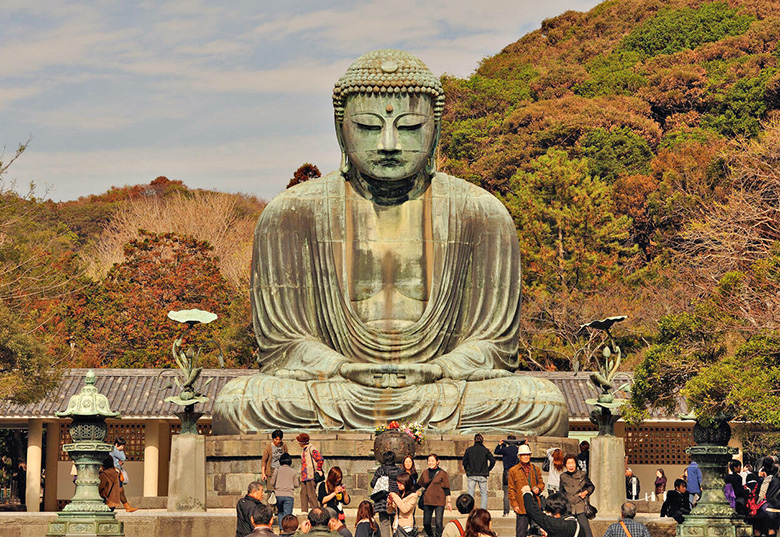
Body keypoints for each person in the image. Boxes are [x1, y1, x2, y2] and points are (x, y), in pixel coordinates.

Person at [211, 49, 569, 436]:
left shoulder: (481, 213)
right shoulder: (291, 214)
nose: (388, 143)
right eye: (367, 126)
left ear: (435, 131)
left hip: (439, 386)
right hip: (338, 387)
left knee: (542, 403)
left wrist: (441, 369)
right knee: (240, 402)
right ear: (340, 130)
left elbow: (494, 346)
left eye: (410, 127)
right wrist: (340, 367)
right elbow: (283, 345)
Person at [507, 444, 545, 537]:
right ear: (519, 456)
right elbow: (511, 489)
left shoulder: (535, 469)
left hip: (534, 505)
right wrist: (514, 504)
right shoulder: (513, 470)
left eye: (527, 454)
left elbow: (541, 483)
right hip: (521, 506)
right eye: (523, 455)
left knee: (537, 533)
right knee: (521, 533)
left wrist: (538, 488)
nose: (526, 457)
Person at [559, 455, 594, 537]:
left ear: (576, 464)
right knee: (568, 531)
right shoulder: (563, 477)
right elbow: (561, 492)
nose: (571, 466)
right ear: (565, 465)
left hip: (580, 506)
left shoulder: (582, 474)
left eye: (572, 463)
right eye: (568, 463)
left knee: (586, 530)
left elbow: (591, 486)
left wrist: (586, 492)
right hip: (568, 507)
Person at [418, 453, 452, 537]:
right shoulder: (425, 472)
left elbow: (447, 488)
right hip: (428, 500)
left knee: (438, 522)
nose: (431, 462)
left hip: (439, 501)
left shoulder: (442, 473)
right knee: (426, 523)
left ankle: (438, 535)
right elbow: (419, 484)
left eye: (433, 460)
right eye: (429, 461)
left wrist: (449, 502)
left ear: (437, 461)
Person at [371, 451, 401, 537]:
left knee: (384, 524)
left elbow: (373, 483)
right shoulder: (399, 470)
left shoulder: (380, 470)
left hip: (382, 500)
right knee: (395, 523)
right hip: (395, 499)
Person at [462, 433, 495, 510]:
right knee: (484, 494)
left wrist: (467, 470)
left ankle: (469, 509)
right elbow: (493, 460)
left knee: (470, 493)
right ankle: (483, 510)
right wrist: (488, 469)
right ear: (482, 441)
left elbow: (464, 462)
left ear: (474, 440)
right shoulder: (485, 450)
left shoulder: (469, 450)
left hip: (472, 474)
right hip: (482, 474)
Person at [271, 453, 300, 531]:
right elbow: (296, 484)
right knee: (287, 515)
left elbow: (272, 482)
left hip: (278, 495)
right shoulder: (293, 471)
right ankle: (287, 530)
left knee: (280, 513)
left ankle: (281, 529)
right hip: (289, 495)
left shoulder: (277, 470)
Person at [297, 433, 324, 513]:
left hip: (311, 476)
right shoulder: (304, 450)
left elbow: (320, 459)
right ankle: (304, 512)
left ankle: (316, 512)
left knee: (311, 496)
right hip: (304, 476)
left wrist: (318, 469)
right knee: (303, 495)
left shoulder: (312, 449)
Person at [388, 472, 421, 537]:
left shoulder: (413, 496)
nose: (398, 485)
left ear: (407, 483)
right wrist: (390, 503)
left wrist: (395, 497)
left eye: (400, 483)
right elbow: (390, 511)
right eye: (398, 483)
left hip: (406, 526)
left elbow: (405, 509)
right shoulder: (399, 495)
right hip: (396, 525)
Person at [494, 435, 520, 517]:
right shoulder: (518, 449)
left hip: (507, 472)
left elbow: (496, 451)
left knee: (506, 493)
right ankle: (518, 509)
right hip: (516, 472)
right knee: (517, 492)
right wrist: (526, 444)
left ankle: (506, 512)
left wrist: (500, 444)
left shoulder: (505, 450)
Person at [263, 430, 289, 494]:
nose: (277, 441)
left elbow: (286, 457)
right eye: (276, 439)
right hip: (271, 470)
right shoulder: (269, 447)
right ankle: (270, 504)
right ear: (273, 438)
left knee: (281, 490)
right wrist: (263, 473)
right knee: (271, 491)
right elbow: (264, 460)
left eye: (279, 439)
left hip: (281, 470)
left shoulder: (283, 446)